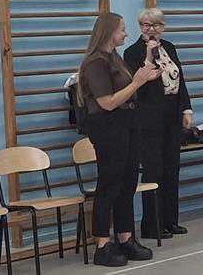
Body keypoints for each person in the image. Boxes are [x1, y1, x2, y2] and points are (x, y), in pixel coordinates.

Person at [78, 13, 162, 267]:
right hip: (108, 125)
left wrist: (144, 76)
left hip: (127, 121)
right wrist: (137, 82)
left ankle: (125, 237)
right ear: (109, 32)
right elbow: (107, 102)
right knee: (110, 184)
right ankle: (102, 244)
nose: (126, 33)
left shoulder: (114, 58)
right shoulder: (95, 63)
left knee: (127, 183)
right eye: (122, 29)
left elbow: (127, 90)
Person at [122, 8, 191, 240]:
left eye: (155, 25)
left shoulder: (169, 47)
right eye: (146, 25)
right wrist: (149, 56)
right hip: (148, 117)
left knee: (172, 167)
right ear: (140, 27)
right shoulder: (132, 52)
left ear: (163, 26)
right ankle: (152, 225)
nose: (151, 29)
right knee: (154, 170)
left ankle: (171, 220)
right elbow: (137, 84)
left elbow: (180, 79)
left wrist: (186, 109)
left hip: (171, 113)